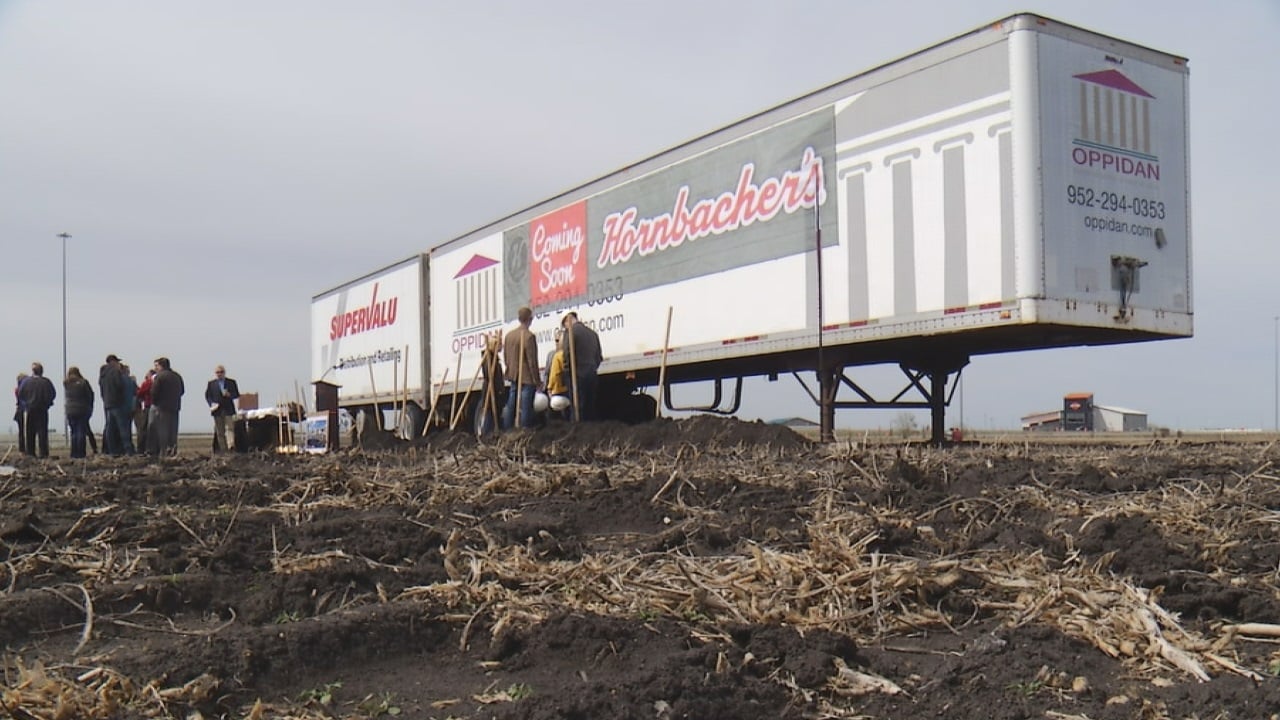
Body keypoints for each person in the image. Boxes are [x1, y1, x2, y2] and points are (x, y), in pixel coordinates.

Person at [501, 306, 539, 430]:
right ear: (530, 319)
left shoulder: (509, 336)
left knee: (511, 403)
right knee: (526, 405)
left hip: (513, 375)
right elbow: (532, 361)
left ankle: (507, 428)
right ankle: (524, 429)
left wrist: (510, 369)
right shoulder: (529, 336)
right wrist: (537, 381)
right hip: (526, 377)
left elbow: (506, 357)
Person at [562, 311, 602, 421]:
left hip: (577, 375)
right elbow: (599, 356)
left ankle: (577, 431)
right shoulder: (593, 334)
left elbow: (566, 353)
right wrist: (593, 367)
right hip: (592, 374)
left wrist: (566, 371)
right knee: (590, 407)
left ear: (566, 321)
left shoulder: (570, 332)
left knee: (578, 407)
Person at [18, 362, 56, 458]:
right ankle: (43, 453)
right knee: (42, 432)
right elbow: (52, 394)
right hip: (42, 409)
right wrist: (48, 403)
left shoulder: (26, 382)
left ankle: (30, 453)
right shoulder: (46, 382)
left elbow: (20, 394)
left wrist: (26, 404)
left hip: (30, 409)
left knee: (30, 432)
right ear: (41, 371)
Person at [149, 357, 184, 456]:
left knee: (162, 432)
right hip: (175, 407)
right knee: (173, 432)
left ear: (161, 366)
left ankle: (163, 453)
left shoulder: (160, 377)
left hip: (162, 408)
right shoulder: (177, 376)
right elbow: (182, 391)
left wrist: (156, 402)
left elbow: (154, 392)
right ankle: (172, 452)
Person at [205, 365, 240, 452]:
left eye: (221, 372)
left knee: (230, 429)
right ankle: (223, 450)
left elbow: (236, 394)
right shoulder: (211, 384)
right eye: (217, 372)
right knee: (220, 431)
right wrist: (211, 404)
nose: (219, 374)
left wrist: (230, 395)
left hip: (228, 409)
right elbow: (208, 396)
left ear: (224, 373)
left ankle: (231, 446)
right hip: (217, 410)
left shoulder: (231, 382)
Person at [99, 354, 128, 455]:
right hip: (117, 402)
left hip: (107, 403)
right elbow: (119, 385)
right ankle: (128, 449)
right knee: (122, 427)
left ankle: (112, 450)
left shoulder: (103, 374)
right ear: (114, 362)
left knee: (109, 428)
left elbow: (101, 388)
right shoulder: (115, 372)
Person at [63, 366, 95, 459]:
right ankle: (81, 453)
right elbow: (90, 395)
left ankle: (74, 453)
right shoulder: (83, 383)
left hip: (70, 410)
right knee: (81, 431)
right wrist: (90, 406)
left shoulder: (66, 383)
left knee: (73, 432)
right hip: (82, 409)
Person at [135, 368, 155, 452]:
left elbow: (140, 392)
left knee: (143, 428)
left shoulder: (148, 382)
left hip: (148, 406)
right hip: (153, 405)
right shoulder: (154, 382)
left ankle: (141, 448)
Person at [13, 372, 27, 454]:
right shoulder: (20, 390)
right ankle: (24, 449)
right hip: (24, 410)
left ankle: (22, 450)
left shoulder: (17, 389)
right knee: (26, 431)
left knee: (21, 431)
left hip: (19, 410)